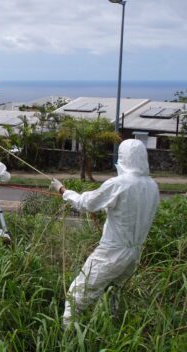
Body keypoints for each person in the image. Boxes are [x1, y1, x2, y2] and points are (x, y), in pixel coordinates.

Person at [50, 139, 160, 328]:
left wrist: (63, 191)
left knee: (77, 294)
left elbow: (85, 203)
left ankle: (67, 338)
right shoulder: (152, 186)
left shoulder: (119, 183)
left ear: (123, 157)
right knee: (113, 294)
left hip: (111, 253)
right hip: (134, 253)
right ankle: (110, 332)